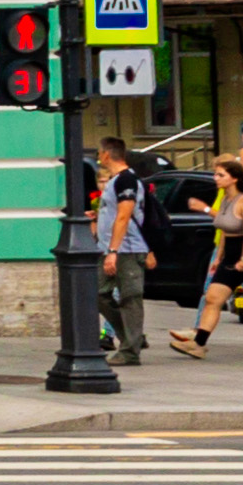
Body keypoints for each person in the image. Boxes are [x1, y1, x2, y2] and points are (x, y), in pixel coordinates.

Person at [161, 146, 225, 359]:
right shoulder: (226, 195)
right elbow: (226, 227)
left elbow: (241, 225)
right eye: (215, 172)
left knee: (212, 296)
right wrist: (219, 254)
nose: (215, 177)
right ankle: (197, 340)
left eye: (220, 173)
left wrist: (204, 208)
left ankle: (197, 335)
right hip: (226, 253)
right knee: (211, 297)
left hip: (242, 256)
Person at [97, 141, 153, 361]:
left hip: (126, 249)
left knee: (130, 297)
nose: (99, 157)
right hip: (109, 248)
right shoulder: (115, 181)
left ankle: (130, 351)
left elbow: (124, 215)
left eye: (100, 153)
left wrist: (113, 250)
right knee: (98, 293)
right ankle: (133, 337)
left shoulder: (126, 180)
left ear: (107, 154)